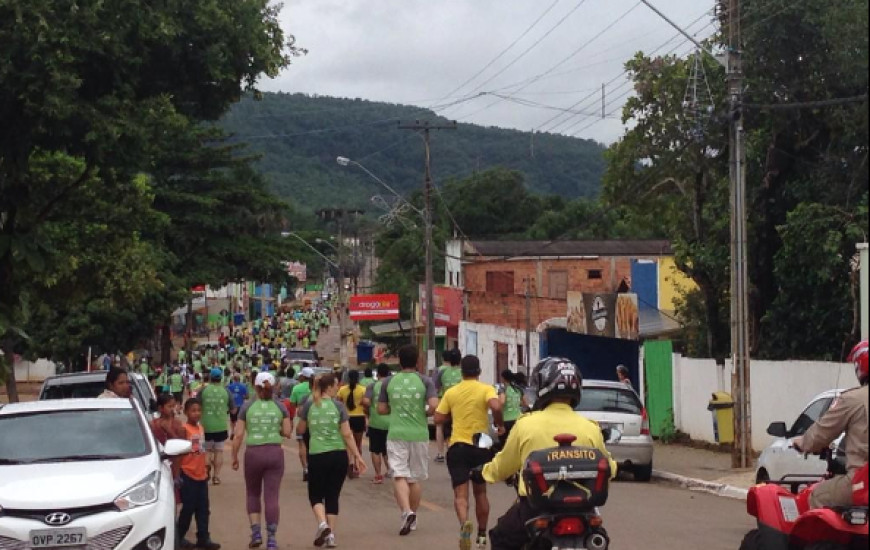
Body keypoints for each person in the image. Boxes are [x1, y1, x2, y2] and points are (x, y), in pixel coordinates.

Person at [476, 357, 616, 550]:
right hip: (584, 511)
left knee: (501, 537)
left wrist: (483, 472)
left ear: (542, 387)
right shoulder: (590, 428)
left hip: (535, 509)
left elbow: (503, 465)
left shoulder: (526, 424)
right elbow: (610, 468)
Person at [435, 355, 503, 550]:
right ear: (479, 372)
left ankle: (464, 525)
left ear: (461, 373)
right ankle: (481, 536)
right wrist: (498, 423)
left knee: (460, 495)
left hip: (458, 447)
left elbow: (438, 418)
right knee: (480, 492)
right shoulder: (486, 389)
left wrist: (452, 412)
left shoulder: (452, 392)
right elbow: (496, 405)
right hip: (480, 447)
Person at [793, 340, 869, 509]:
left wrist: (803, 442)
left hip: (863, 482)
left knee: (815, 496)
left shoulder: (852, 399)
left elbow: (821, 433)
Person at [297, 374, 368, 548]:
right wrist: (358, 456)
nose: (338, 388)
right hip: (338, 456)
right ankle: (330, 536)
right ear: (328, 387)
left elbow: (300, 429)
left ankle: (323, 524)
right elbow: (347, 434)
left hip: (318, 455)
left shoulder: (309, 405)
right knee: (332, 496)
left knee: (315, 495)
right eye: (336, 385)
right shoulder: (339, 406)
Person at [377, 344, 439, 536]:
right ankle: (413, 516)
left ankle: (406, 512)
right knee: (415, 478)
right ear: (417, 361)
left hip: (397, 433)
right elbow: (434, 405)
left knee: (399, 475)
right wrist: (424, 412)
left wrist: (395, 409)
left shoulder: (388, 382)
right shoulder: (425, 381)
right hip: (419, 434)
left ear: (399, 361)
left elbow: (381, 409)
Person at [231, 372, 293, 550]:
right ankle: (271, 540)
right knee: (272, 497)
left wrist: (234, 456)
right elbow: (287, 432)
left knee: (252, 493)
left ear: (255, 386)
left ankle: (256, 533)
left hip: (253, 453)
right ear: (274, 387)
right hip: (274, 453)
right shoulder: (281, 406)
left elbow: (238, 435)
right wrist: (274, 428)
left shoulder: (247, 406)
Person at [176, 398, 221, 550]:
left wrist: (206, 466)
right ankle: (178, 538)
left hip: (201, 474)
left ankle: (203, 538)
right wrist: (177, 474)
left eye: (199, 410)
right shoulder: (184, 429)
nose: (196, 413)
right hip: (188, 473)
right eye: (193, 411)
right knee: (188, 508)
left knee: (203, 509)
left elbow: (201, 450)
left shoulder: (200, 428)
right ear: (186, 412)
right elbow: (179, 453)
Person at [201, 367, 236, 486]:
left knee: (207, 450)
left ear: (210, 378)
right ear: (221, 378)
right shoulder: (226, 391)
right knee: (219, 451)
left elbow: (196, 405)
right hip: (221, 426)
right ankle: (216, 477)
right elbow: (233, 410)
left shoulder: (203, 390)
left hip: (205, 425)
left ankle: (206, 471)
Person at [363, 364, 392, 484]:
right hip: (391, 423)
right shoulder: (391, 385)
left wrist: (372, 408)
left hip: (375, 422)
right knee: (388, 449)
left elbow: (366, 401)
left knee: (375, 450)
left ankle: (378, 475)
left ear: (378, 374)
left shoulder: (372, 386)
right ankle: (391, 470)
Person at [336, 370, 367, 478]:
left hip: (346, 418)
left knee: (347, 443)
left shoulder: (342, 389)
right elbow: (365, 403)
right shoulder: (363, 389)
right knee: (358, 444)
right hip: (359, 417)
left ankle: (349, 464)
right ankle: (357, 467)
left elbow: (338, 403)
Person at [434, 348, 463, 462]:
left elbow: (436, 388)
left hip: (446, 404)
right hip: (461, 405)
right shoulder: (463, 372)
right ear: (460, 360)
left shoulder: (442, 372)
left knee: (440, 427)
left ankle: (441, 453)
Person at [291, 366, 315, 482]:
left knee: (302, 444)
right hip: (315, 421)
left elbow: (293, 404)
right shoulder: (318, 390)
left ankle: (306, 468)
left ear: (303, 377)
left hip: (302, 420)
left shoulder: (297, 388)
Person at [498, 369, 528, 446]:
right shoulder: (518, 389)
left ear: (503, 378)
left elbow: (502, 402)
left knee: (505, 444)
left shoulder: (503, 389)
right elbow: (525, 404)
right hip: (518, 419)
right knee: (516, 443)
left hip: (506, 421)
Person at [227, 373, 250, 438]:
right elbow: (247, 396)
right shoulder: (243, 386)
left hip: (233, 406)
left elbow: (227, 396)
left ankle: (232, 431)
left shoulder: (229, 386)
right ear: (239, 379)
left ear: (233, 379)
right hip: (240, 406)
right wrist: (242, 396)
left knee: (232, 420)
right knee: (240, 420)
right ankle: (238, 432)